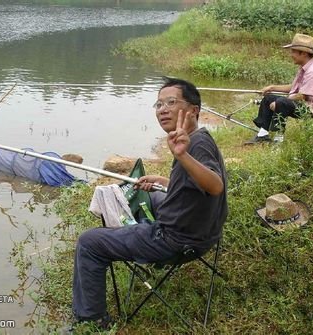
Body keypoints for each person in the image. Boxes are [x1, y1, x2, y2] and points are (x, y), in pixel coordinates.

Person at [70, 77, 228, 330]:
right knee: (152, 195)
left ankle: (92, 319)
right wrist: (164, 180)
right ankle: (132, 233)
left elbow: (215, 186)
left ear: (194, 110)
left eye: (171, 102)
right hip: (205, 233)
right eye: (158, 104)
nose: (162, 109)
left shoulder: (194, 146)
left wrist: (182, 155)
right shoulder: (200, 138)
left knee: (89, 243)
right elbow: (196, 185)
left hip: (176, 240)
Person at [245, 33, 313, 144]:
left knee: (281, 102)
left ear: (303, 53)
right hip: (300, 103)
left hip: (310, 109)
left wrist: (279, 102)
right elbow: (293, 88)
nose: (291, 54)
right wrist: (272, 87)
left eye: (293, 51)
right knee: (268, 98)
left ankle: (279, 140)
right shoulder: (304, 68)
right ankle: (263, 134)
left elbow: (302, 96)